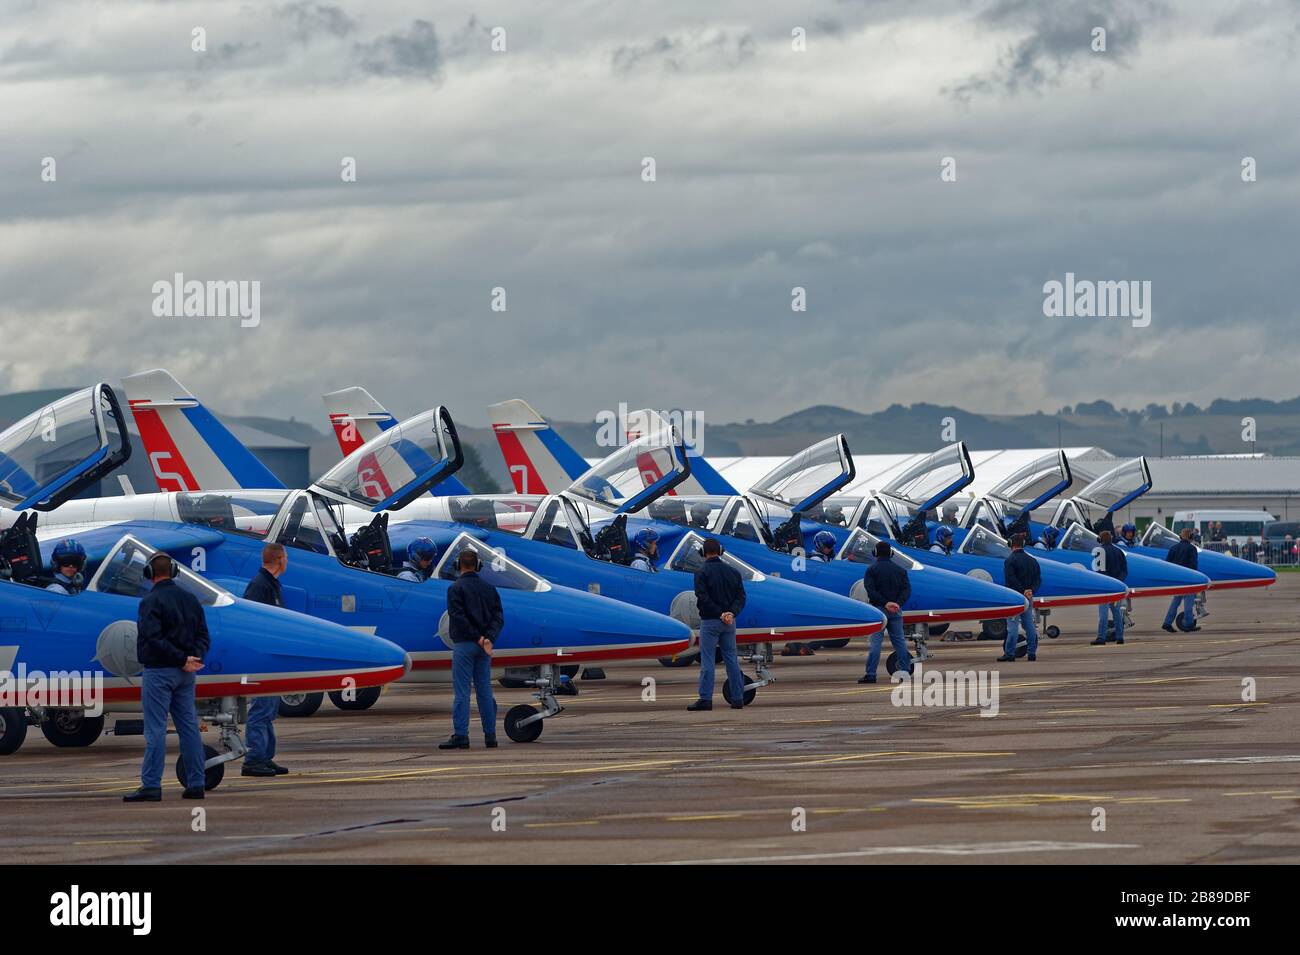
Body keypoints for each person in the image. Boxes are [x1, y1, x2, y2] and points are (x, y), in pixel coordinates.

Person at [124, 554, 210, 802]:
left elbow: (152, 637)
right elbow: (203, 635)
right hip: (186, 675)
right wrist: (193, 658)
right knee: (190, 729)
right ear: (173, 571)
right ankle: (196, 783)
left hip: (160, 672)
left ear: (150, 573)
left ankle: (151, 785)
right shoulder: (191, 599)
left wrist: (179, 658)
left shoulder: (150, 601)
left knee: (155, 730)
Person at [440, 548, 502, 749]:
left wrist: (478, 637)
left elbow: (458, 617)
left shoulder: (455, 589)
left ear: (459, 565)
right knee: (484, 689)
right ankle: (490, 735)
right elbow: (498, 617)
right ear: (478, 565)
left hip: (465, 645)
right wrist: (488, 638)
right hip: (484, 648)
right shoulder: (489, 589)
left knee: (462, 692)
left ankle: (461, 735)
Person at [241, 543, 290, 777]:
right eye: (286, 558)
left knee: (269, 710)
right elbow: (251, 622)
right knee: (261, 710)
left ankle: (265, 757)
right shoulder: (260, 586)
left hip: (271, 660)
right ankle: (253, 760)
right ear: (280, 559)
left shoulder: (270, 585)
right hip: (261, 661)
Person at [689, 537, 746, 711]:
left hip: (710, 621)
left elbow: (702, 598)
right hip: (729, 622)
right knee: (732, 660)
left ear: (703, 553)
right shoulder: (733, 572)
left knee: (707, 661)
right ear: (720, 551)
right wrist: (730, 613)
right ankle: (738, 698)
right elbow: (741, 597)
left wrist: (719, 613)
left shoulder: (701, 572)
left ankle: (706, 699)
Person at [858, 540, 912, 684]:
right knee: (900, 642)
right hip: (896, 610)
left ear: (875, 553)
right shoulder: (900, 570)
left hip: (878, 610)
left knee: (876, 643)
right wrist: (897, 603)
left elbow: (870, 590)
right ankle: (905, 672)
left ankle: (871, 674)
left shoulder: (871, 570)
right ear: (891, 553)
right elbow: (907, 590)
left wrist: (884, 603)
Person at [999, 533, 1040, 662]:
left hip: (1014, 598)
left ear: (1011, 544)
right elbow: (1038, 579)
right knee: (1029, 626)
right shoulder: (1033, 561)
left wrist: (1021, 590)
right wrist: (1030, 590)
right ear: (1023, 544)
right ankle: (1032, 653)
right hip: (1028, 597)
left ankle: (1010, 653)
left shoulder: (1010, 561)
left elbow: (1011, 579)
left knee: (1012, 627)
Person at [1091, 530, 1129, 646]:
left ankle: (1101, 637)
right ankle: (1120, 637)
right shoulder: (1119, 552)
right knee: (1117, 613)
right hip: (1116, 586)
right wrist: (1118, 581)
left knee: (1103, 614)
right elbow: (1124, 570)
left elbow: (1098, 571)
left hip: (1104, 587)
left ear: (1100, 540)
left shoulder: (1099, 552)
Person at [1162, 527, 1201, 632]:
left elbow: (1167, 563)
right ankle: (1189, 624)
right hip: (1188, 579)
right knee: (1188, 602)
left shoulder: (1173, 548)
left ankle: (1167, 622)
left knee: (1175, 602)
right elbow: (1193, 565)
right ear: (1190, 536)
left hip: (1177, 579)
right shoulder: (1192, 549)